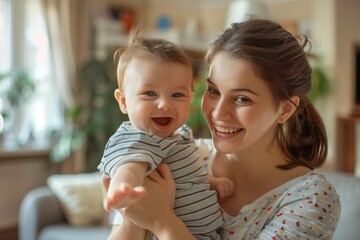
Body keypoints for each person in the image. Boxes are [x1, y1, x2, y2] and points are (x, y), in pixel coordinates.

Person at [104, 17, 341, 240]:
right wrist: (131, 219)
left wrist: (163, 222)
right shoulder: (179, 152)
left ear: (285, 110)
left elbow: (158, 220)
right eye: (213, 91)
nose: (217, 113)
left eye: (242, 99)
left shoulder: (311, 199)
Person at [97, 30, 234, 240]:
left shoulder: (178, 137)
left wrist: (210, 182)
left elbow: (182, 177)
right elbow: (130, 168)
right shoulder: (137, 139)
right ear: (123, 101)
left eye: (177, 95)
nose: (164, 104)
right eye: (149, 94)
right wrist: (122, 189)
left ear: (190, 97)